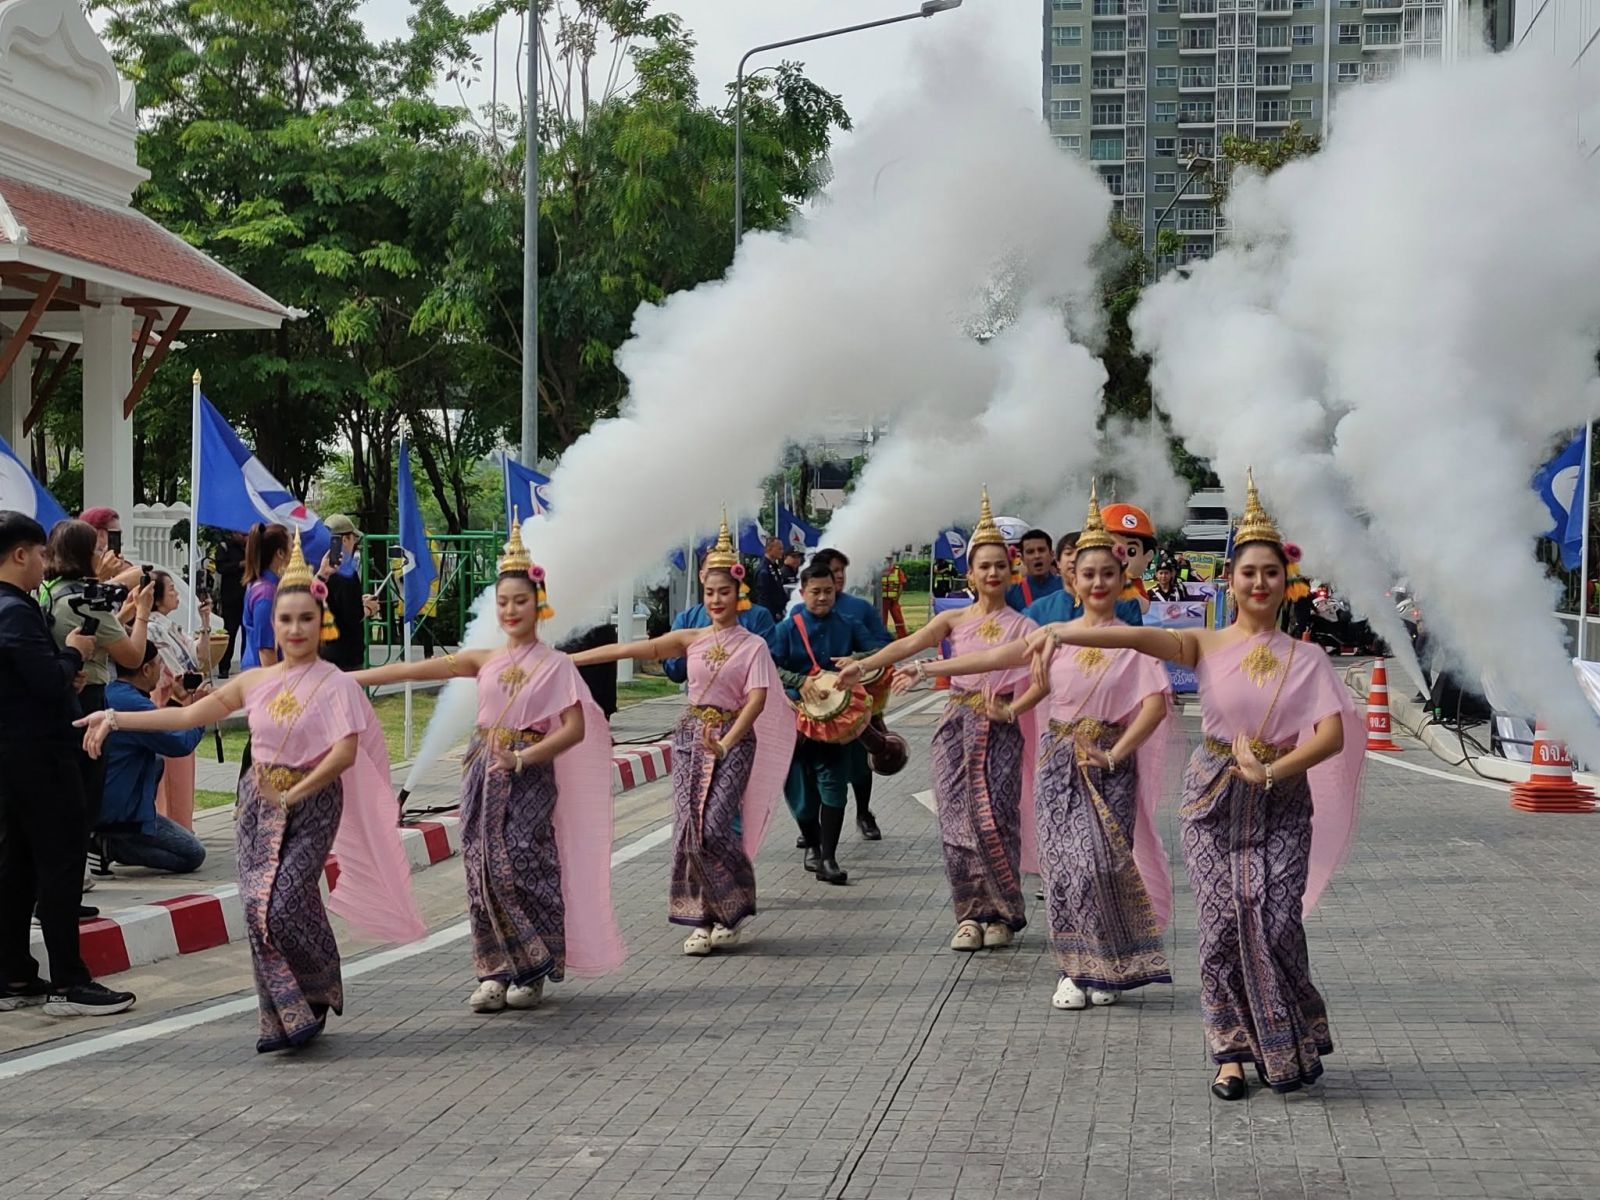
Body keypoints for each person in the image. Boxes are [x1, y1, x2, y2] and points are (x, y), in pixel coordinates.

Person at [1027, 472, 1361, 1099]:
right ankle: (1228, 1052)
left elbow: (1331, 736)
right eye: (1247, 572)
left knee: (1275, 923)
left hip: (1282, 802)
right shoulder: (1204, 643)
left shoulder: (1309, 658)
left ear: (1285, 580)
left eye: (1269, 572)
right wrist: (1063, 631)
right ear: (1230, 580)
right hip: (1212, 797)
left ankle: (1286, 1038)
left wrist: (1273, 770)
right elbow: (1136, 636)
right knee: (1219, 927)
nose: (1258, 583)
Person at [79, 531, 424, 1051]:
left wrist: (298, 791)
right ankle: (289, 1014)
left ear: (321, 622)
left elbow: (344, 754)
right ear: (274, 624)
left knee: (286, 902)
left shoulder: (334, 683)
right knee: (260, 906)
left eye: (305, 619)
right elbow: (187, 716)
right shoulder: (254, 682)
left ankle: (319, 978)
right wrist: (113, 717)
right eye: (285, 619)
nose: (295, 629)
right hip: (259, 806)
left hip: (313, 804)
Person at [352, 519, 623, 1012]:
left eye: (520, 601)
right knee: (479, 868)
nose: (511, 610)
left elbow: (574, 729)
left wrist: (522, 758)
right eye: (503, 602)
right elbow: (414, 669)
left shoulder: (555, 665)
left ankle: (532, 968)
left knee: (521, 863)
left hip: (529, 774)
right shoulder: (485, 659)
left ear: (539, 604)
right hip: (481, 771)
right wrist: (351, 679)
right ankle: (493, 971)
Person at [922, 487, 1175, 1009]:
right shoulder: (1054, 634)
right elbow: (997, 662)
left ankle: (1106, 963)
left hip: (1110, 765)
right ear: (1073, 580)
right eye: (1088, 574)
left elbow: (1153, 705)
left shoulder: (1133, 641)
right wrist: (928, 668)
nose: (1098, 583)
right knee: (1066, 867)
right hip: (1060, 763)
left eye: (1108, 574)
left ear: (1122, 578)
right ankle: (1073, 970)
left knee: (1105, 865)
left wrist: (1116, 753)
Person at [570, 514, 792, 955]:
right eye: (710, 592)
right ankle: (703, 920)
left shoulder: (752, 646)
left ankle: (730, 906)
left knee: (715, 826)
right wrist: (571, 660)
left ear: (739, 593)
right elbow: (632, 648)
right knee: (690, 830)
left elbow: (756, 701)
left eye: (724, 592)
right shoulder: (690, 637)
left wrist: (726, 743)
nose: (716, 600)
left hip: (733, 740)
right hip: (692, 737)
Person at [840, 488, 1037, 951]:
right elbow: (907, 645)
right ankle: (969, 914)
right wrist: (862, 666)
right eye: (983, 566)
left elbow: (1037, 677)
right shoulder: (954, 620)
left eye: (999, 565)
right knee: (955, 819)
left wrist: (1012, 710)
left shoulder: (1025, 627)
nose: (992, 573)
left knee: (997, 818)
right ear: (970, 573)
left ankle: (1002, 914)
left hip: (1000, 728)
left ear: (1012, 570)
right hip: (956, 725)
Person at [0, 511, 135, 1017]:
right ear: (20, 555)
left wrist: (64, 669)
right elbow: (44, 681)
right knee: (60, 863)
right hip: (42, 755)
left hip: (13, 755)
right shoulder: (15, 611)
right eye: (38, 554)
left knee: (17, 866)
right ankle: (69, 982)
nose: (43, 563)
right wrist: (74, 655)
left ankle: (14, 974)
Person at [768, 561, 879, 884]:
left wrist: (857, 660)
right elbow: (768, 666)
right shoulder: (786, 629)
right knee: (802, 798)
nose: (822, 597)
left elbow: (879, 650)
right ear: (803, 593)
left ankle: (828, 858)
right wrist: (799, 681)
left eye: (828, 591)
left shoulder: (847, 623)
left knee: (834, 788)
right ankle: (813, 844)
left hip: (835, 723)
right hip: (796, 722)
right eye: (815, 592)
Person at [795, 549, 893, 839]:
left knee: (861, 764)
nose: (838, 576)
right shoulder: (797, 615)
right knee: (814, 768)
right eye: (832, 570)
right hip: (813, 704)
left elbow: (883, 647)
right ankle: (813, 825)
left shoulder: (858, 610)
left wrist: (857, 660)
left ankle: (863, 813)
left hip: (855, 701)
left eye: (841, 570)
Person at [96, 643, 207, 875]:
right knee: (192, 854)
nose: (162, 671)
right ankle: (106, 846)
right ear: (146, 670)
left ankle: (113, 839)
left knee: (156, 760)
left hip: (116, 802)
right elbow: (179, 743)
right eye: (159, 664)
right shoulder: (131, 703)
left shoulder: (116, 693)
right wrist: (202, 711)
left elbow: (159, 729)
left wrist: (177, 701)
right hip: (119, 812)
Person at [145, 570, 213, 832]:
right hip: (168, 699)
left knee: (183, 769)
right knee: (172, 770)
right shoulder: (153, 628)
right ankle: (173, 826)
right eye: (171, 589)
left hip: (183, 699)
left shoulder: (170, 627)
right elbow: (174, 670)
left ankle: (182, 824)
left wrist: (205, 621)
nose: (175, 594)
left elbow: (199, 656)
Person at [1024, 526, 1145, 629]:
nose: (1073, 559)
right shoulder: (1039, 609)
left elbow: (1136, 642)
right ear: (1057, 562)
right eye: (1068, 553)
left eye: (1079, 553)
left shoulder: (1125, 605)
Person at [318, 514, 379, 672]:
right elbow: (352, 615)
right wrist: (368, 609)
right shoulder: (346, 572)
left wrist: (358, 600)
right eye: (354, 538)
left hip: (321, 651)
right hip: (345, 656)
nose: (355, 543)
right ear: (344, 540)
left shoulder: (320, 569)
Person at [240, 523, 291, 669]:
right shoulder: (265, 594)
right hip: (262, 674)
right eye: (292, 547)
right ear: (280, 553)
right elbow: (266, 650)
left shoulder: (266, 585)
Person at [1100, 502, 1157, 612]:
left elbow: (1144, 608)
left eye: (1132, 551)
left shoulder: (1134, 583)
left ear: (1148, 556)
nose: (1121, 557)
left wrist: (1127, 587)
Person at [1005, 528, 1061, 611]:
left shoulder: (1067, 587)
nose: (1037, 556)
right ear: (1022, 559)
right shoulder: (1011, 594)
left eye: (1041, 550)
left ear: (1052, 555)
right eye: (1030, 552)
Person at [215, 531, 246, 678]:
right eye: (241, 534)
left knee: (247, 635)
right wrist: (240, 565)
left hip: (247, 598)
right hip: (230, 599)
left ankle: (246, 666)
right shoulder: (225, 547)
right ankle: (224, 668)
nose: (243, 537)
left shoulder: (251, 548)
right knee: (229, 633)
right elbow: (220, 567)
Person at [78, 507, 137, 585]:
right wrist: (101, 577)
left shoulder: (123, 567)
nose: (120, 542)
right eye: (115, 536)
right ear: (100, 535)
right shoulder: (76, 571)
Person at [752, 537, 789, 619]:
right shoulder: (764, 570)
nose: (782, 551)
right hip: (769, 613)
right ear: (770, 549)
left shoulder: (774, 566)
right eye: (779, 549)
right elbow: (764, 597)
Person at [879, 555, 909, 639]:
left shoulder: (897, 570)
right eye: (887, 559)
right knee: (882, 620)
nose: (889, 561)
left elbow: (901, 585)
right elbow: (875, 584)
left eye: (890, 559)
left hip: (894, 600)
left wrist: (897, 598)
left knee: (898, 619)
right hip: (883, 600)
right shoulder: (881, 570)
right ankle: (882, 637)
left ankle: (902, 637)